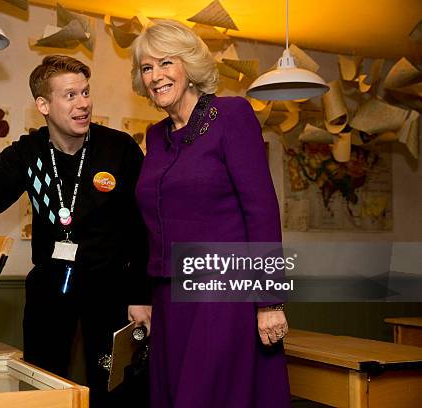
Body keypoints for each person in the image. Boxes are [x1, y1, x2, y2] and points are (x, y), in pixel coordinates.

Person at [0, 55, 151, 407]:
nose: (83, 103)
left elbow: (143, 226)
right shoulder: (27, 154)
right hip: (51, 285)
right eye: (70, 95)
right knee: (42, 382)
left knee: (115, 384)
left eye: (85, 92)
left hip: (111, 286)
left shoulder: (119, 149)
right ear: (44, 104)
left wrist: (141, 295)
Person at [130, 20, 290, 407]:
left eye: (165, 63)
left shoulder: (231, 116)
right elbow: (152, 222)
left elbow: (262, 209)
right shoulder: (156, 135)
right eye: (146, 68)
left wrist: (269, 301)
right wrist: (143, 295)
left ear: (189, 67)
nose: (155, 76)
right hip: (168, 298)